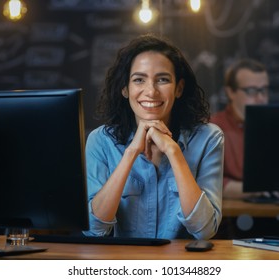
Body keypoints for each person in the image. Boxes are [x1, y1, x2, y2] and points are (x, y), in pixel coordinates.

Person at [83, 34, 224, 240]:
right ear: (125, 89)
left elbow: (204, 230)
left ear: (179, 88)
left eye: (163, 80)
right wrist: (131, 152)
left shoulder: (208, 138)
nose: (151, 91)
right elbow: (94, 229)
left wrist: (174, 152)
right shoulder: (101, 141)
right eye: (139, 80)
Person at [211, 59, 269, 199]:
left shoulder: (276, 127)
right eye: (251, 91)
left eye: (264, 90)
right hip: (233, 217)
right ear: (230, 92)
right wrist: (260, 190)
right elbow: (209, 185)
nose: (260, 98)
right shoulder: (213, 128)